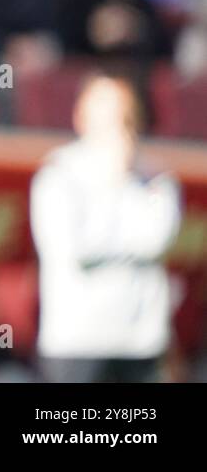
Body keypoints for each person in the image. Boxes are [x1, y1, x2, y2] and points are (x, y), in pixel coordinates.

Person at [30, 72, 182, 382]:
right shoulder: (57, 175)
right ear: (80, 116)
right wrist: (114, 183)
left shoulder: (157, 177)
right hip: (76, 341)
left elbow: (157, 241)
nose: (113, 124)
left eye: (121, 114)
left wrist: (125, 184)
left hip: (140, 341)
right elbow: (75, 248)